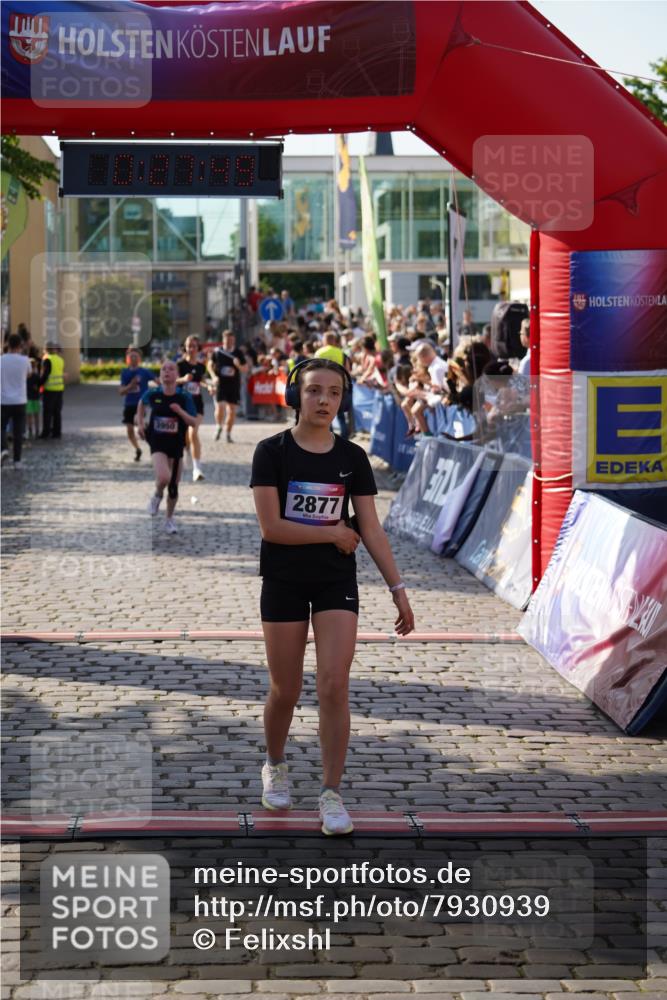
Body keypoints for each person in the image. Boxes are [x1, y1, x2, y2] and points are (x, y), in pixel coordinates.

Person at [250, 358, 415, 836]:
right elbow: (272, 527)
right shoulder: (271, 452)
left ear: (343, 400)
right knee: (286, 688)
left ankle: (330, 793)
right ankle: (276, 764)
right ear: (295, 395)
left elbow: (372, 530)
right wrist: (330, 534)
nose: (324, 400)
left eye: (335, 393)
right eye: (314, 391)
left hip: (334, 583)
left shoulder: (353, 458)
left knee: (333, 684)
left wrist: (398, 589)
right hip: (282, 580)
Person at [136, 360, 198, 534]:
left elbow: (193, 422)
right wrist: (140, 424)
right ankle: (157, 495)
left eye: (171, 369)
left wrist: (179, 411)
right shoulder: (153, 393)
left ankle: (169, 519)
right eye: (163, 369)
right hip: (157, 442)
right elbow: (141, 404)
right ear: (160, 374)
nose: (167, 372)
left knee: (173, 486)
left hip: (177, 444)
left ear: (177, 375)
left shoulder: (184, 397)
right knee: (164, 477)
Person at [177, 335, 210, 481]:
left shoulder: (201, 366)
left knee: (193, 432)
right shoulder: (180, 364)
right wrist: (183, 379)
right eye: (189, 346)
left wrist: (209, 386)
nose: (191, 349)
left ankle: (197, 469)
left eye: (194, 346)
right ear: (185, 347)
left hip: (197, 405)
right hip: (182, 405)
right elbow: (174, 380)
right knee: (185, 436)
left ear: (198, 348)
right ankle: (187, 450)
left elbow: (202, 381)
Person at [208, 330, 248, 442]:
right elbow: (210, 365)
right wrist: (213, 376)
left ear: (234, 340)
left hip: (233, 385)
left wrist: (238, 365)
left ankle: (228, 434)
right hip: (220, 384)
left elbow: (245, 369)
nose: (230, 342)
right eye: (227, 340)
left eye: (232, 340)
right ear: (223, 339)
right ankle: (219, 426)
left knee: (232, 411)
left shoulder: (238, 353)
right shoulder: (217, 352)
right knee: (220, 407)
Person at [119, 347, 155, 461]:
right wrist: (131, 385)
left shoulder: (144, 372)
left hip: (142, 404)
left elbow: (158, 381)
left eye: (135, 356)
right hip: (129, 404)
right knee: (130, 431)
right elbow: (121, 392)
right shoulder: (125, 372)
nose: (133, 358)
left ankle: (154, 448)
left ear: (139, 358)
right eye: (131, 356)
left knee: (140, 425)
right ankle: (138, 449)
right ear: (127, 358)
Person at [1, 332, 31, 468]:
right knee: (18, 432)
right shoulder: (25, 360)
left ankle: (3, 449)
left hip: (3, 400)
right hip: (20, 400)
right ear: (20, 345)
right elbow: (29, 374)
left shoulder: (1, 360)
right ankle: (17, 461)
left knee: (1, 428)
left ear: (7, 344)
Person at [39, 342, 65, 439]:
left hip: (49, 389)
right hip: (59, 389)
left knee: (47, 412)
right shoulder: (60, 359)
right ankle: (57, 432)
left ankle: (46, 432)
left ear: (46, 349)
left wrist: (38, 384)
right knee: (57, 412)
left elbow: (45, 374)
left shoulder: (47, 359)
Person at [25, 358, 41, 439]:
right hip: (36, 398)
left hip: (28, 398)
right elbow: (40, 385)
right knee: (36, 415)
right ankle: (37, 430)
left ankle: (30, 430)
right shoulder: (36, 376)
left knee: (29, 416)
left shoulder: (26, 376)